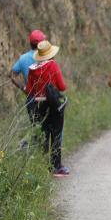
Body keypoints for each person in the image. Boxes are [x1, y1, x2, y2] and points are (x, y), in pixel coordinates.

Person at [25, 40, 69, 176]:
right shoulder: (53, 65)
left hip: (38, 105)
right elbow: (62, 86)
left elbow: (29, 89)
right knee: (56, 134)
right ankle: (56, 167)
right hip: (52, 104)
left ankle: (42, 166)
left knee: (43, 134)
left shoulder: (32, 69)